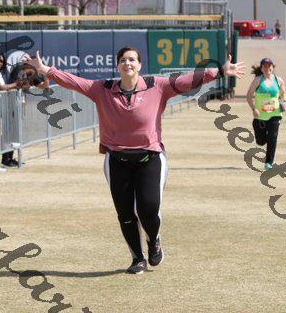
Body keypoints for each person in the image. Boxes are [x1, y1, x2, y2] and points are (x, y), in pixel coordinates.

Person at [24, 48, 245, 274]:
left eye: (132, 60)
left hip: (150, 157)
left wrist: (219, 71)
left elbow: (187, 80)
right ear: (117, 66)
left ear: (139, 65)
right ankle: (137, 258)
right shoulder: (102, 89)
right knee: (126, 214)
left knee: (148, 209)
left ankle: (153, 239)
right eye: (123, 60)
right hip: (116, 160)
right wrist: (47, 70)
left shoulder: (157, 85)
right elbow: (75, 82)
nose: (127, 63)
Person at [2, 61, 50, 167]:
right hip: (10, 104)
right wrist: (27, 83)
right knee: (10, 132)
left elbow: (45, 86)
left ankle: (10, 158)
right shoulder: (18, 70)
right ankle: (5, 159)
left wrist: (47, 75)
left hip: (19, 105)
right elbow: (19, 85)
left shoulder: (32, 74)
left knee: (16, 133)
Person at [246, 58, 286, 171]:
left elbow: (284, 93)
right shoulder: (258, 80)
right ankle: (263, 141)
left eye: (269, 66)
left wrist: (284, 102)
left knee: (273, 137)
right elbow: (249, 95)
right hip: (260, 116)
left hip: (275, 113)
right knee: (260, 141)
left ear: (272, 67)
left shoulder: (279, 80)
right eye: (265, 66)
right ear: (261, 68)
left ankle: (269, 162)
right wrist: (254, 108)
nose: (267, 68)